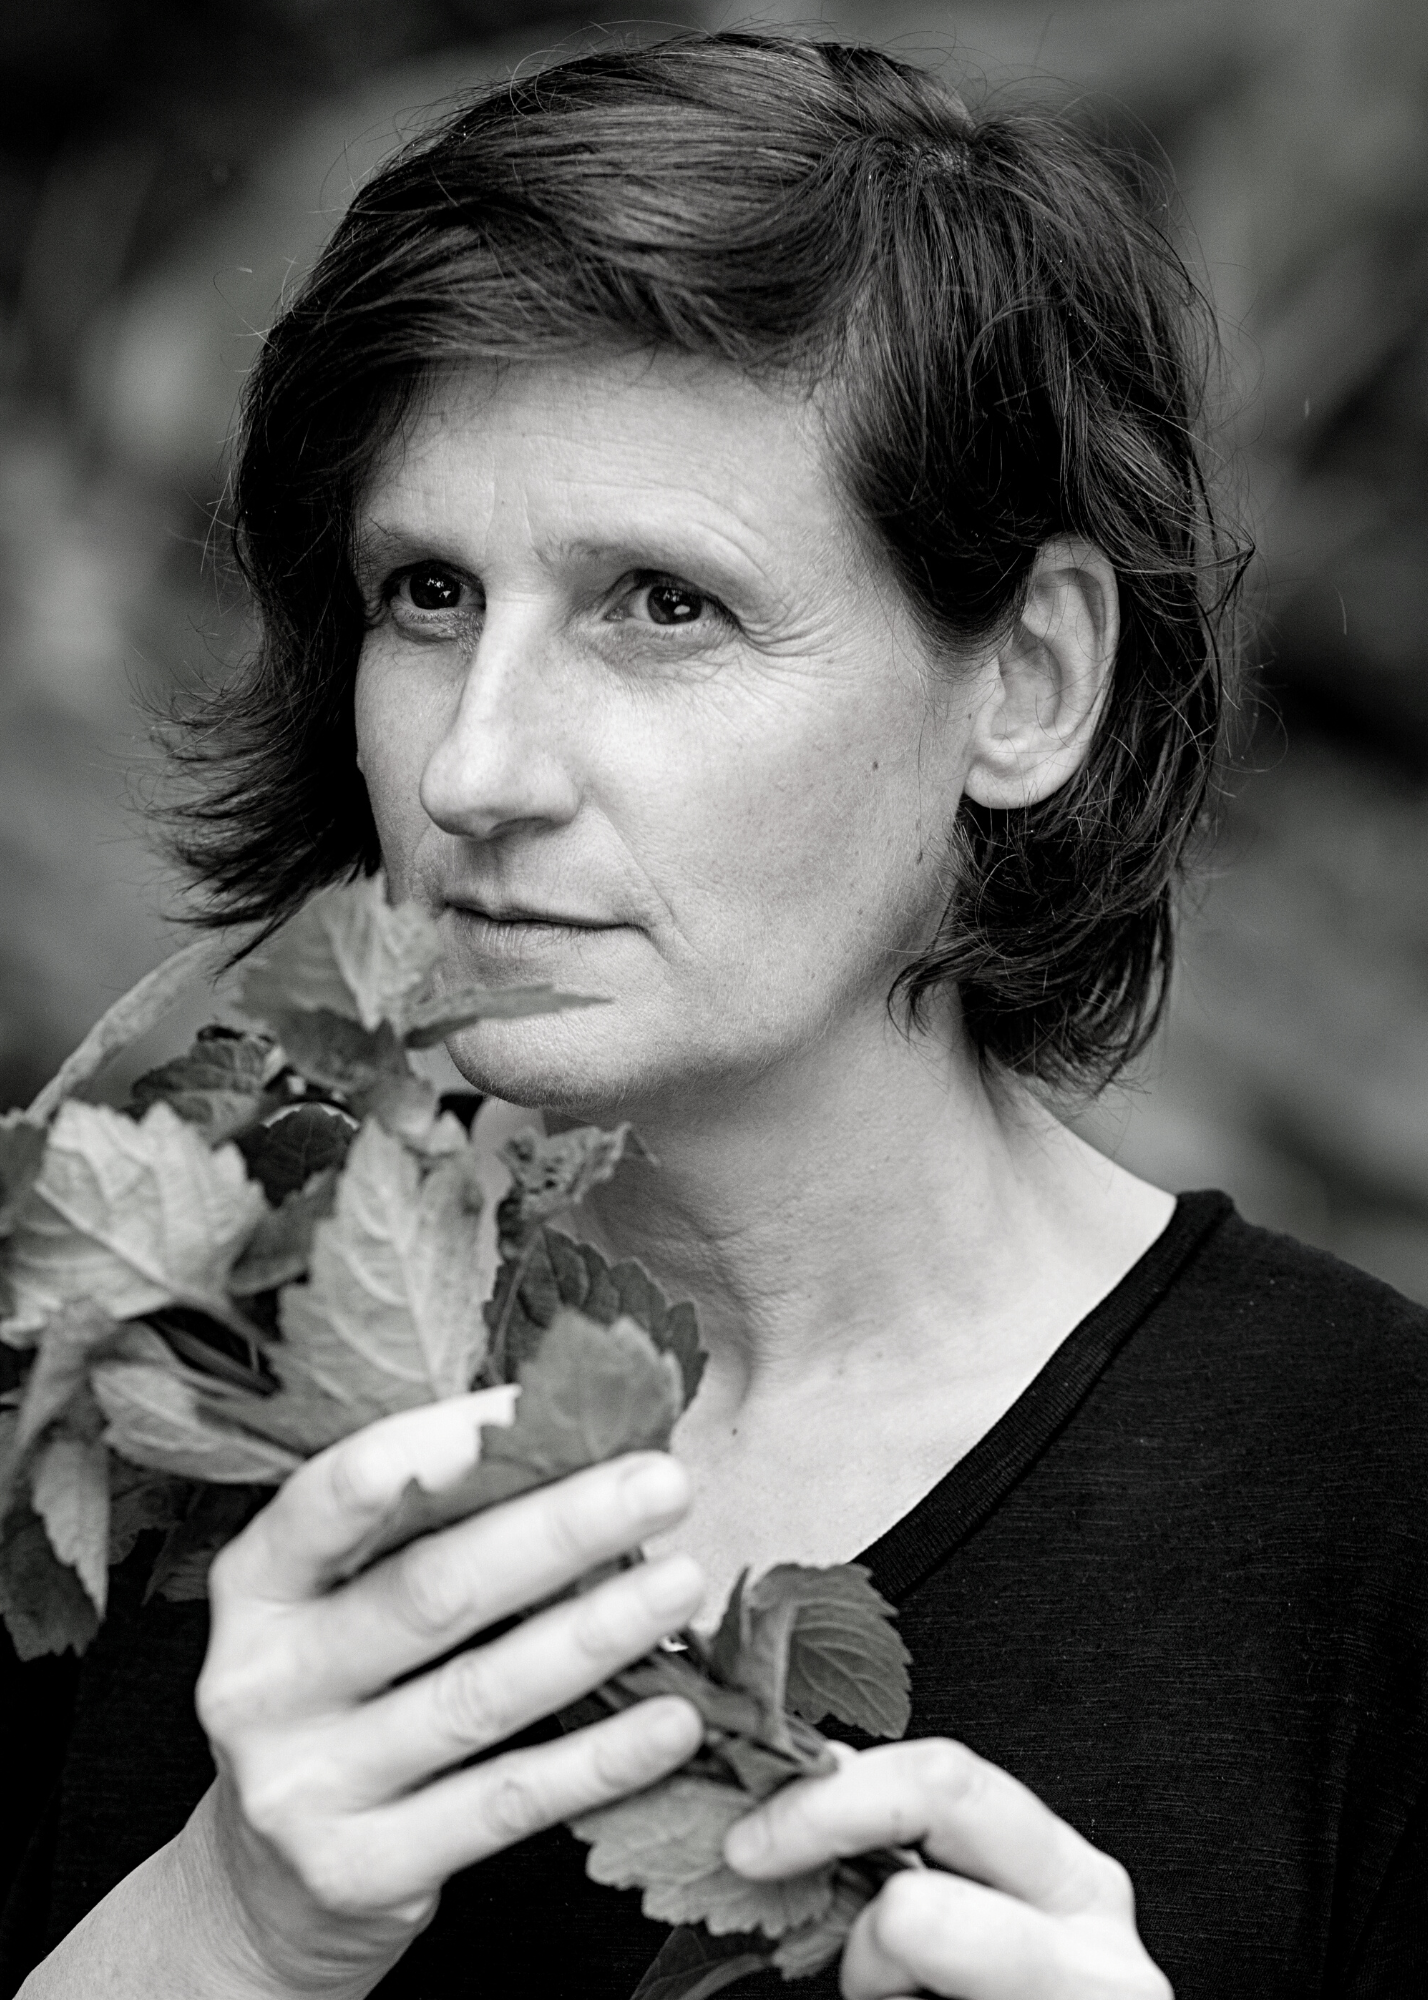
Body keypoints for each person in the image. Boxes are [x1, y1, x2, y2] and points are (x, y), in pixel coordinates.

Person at [5, 30, 1426, 2000]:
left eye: (661, 603)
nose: (478, 763)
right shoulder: (163, 1384)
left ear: (1027, 681)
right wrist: (230, 1922)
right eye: (426, 593)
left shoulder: (1372, 1513)